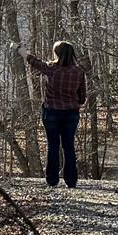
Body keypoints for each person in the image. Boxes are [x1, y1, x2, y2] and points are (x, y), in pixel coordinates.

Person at [24, 40, 87, 189]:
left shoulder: (51, 69)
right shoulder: (79, 72)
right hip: (71, 113)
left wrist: (19, 49)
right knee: (68, 146)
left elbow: (33, 61)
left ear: (57, 53)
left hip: (51, 111)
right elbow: (82, 97)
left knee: (53, 145)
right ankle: (71, 181)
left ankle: (52, 180)